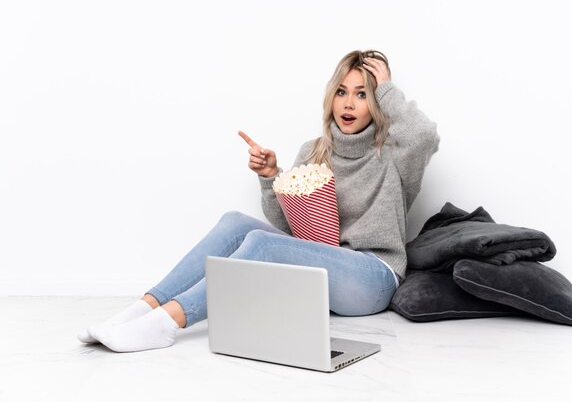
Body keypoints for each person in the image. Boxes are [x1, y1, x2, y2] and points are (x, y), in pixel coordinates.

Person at [77, 50, 440, 352]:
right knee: (235, 223)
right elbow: (293, 231)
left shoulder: (393, 154)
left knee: (262, 245)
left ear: (377, 101)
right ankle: (141, 309)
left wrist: (389, 88)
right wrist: (271, 179)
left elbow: (425, 135)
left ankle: (166, 323)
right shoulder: (314, 151)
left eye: (362, 94)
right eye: (341, 91)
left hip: (373, 277)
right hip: (320, 271)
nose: (348, 103)